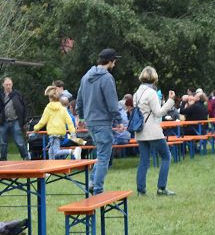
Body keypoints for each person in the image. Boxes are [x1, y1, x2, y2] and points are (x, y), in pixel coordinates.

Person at [76, 48, 122, 194]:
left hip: (90, 122)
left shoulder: (85, 77)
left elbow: (79, 101)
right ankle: (98, 189)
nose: (115, 64)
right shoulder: (107, 78)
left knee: (101, 153)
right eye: (115, 60)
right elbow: (112, 102)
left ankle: (92, 182)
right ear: (110, 61)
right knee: (104, 157)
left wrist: (82, 117)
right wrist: (119, 120)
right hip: (102, 122)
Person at [133, 66, 176, 196]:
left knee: (144, 161)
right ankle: (161, 188)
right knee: (166, 157)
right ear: (154, 78)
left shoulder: (136, 93)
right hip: (152, 130)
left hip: (140, 131)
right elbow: (158, 113)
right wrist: (170, 101)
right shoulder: (151, 93)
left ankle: (141, 191)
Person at [33, 86, 81, 160]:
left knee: (55, 152)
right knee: (50, 152)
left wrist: (35, 128)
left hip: (53, 134)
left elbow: (42, 122)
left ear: (50, 98)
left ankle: (72, 151)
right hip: (61, 134)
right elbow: (69, 122)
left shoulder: (48, 108)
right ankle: (50, 170)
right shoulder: (63, 109)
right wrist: (73, 133)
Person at [0, 77, 30, 160]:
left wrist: (25, 121)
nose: (8, 86)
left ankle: (25, 157)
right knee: (3, 143)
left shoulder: (17, 94)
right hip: (3, 122)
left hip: (15, 120)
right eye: (6, 84)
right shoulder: (0, 95)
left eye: (9, 84)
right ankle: (3, 160)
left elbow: (24, 107)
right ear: (3, 85)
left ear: (12, 84)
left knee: (19, 141)